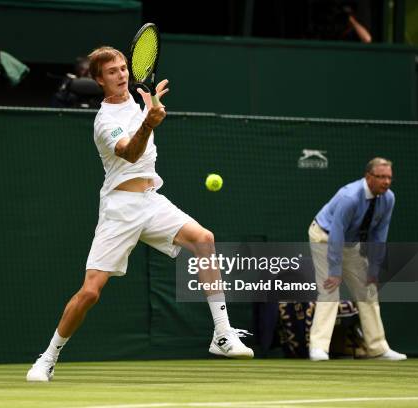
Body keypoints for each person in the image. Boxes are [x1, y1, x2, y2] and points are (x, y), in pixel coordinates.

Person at [26, 46, 253, 382]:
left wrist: (151, 109)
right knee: (90, 292)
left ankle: (222, 333)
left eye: (123, 68)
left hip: (151, 200)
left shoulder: (138, 101)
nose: (121, 75)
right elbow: (130, 154)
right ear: (99, 79)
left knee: (205, 240)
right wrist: (150, 120)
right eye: (113, 71)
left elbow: (146, 125)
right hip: (120, 209)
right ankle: (48, 357)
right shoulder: (104, 121)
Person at [308, 157, 406, 361]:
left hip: (350, 243)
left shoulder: (389, 198)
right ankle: (318, 348)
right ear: (368, 177)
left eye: (389, 178)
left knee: (368, 291)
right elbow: (336, 232)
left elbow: (379, 235)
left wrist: (374, 269)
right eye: (381, 177)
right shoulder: (350, 196)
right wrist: (335, 271)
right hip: (324, 237)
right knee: (329, 291)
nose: (386, 182)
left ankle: (377, 348)